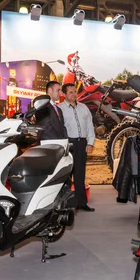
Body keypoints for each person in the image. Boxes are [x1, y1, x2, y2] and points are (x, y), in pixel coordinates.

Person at [58, 83, 95, 212]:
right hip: (67, 144)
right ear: (63, 94)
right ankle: (66, 204)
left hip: (81, 144)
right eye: (70, 92)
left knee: (80, 174)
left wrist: (90, 143)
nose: (74, 94)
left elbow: (90, 126)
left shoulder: (84, 108)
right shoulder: (59, 109)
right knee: (66, 175)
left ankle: (81, 203)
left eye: (75, 92)